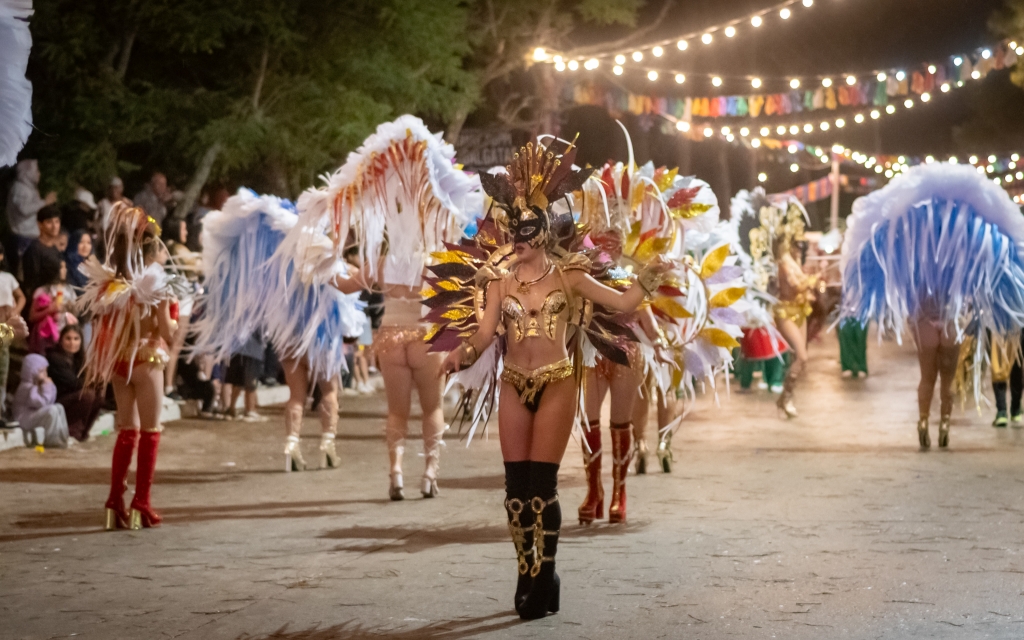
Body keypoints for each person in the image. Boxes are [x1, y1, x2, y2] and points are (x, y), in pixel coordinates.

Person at [435, 139, 671, 620]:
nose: (515, 236)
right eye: (511, 227)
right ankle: (527, 573)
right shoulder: (500, 281)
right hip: (513, 381)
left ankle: (547, 574)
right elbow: (483, 336)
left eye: (524, 229)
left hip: (558, 379)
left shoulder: (570, 277)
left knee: (542, 490)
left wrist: (647, 280)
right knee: (515, 491)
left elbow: (622, 305)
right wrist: (458, 357)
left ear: (542, 232)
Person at [306, 116, 479, 500]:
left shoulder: (380, 262)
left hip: (388, 337)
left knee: (396, 411)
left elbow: (344, 283)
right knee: (431, 409)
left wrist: (320, 259)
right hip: (426, 337)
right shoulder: (437, 260)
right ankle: (430, 473)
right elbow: (458, 298)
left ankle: (396, 472)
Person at [840, 164, 1024, 449]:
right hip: (948, 322)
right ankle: (944, 426)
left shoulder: (918, 265)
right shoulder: (955, 263)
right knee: (946, 380)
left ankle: (924, 421)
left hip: (925, 322)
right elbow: (972, 288)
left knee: (928, 377)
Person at [192, 189, 364, 472]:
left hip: (290, 334)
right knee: (329, 390)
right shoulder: (323, 252)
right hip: (321, 335)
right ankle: (327, 444)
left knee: (295, 395)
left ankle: (292, 444)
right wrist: (367, 275)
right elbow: (344, 286)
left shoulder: (287, 256)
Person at [80, 203, 180, 530]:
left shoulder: (111, 284)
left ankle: (114, 503)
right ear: (152, 251)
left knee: (126, 431)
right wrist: (176, 324)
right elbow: (165, 330)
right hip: (148, 359)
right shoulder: (156, 282)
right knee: (151, 432)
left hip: (119, 363)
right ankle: (141, 503)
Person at [47, 325, 104, 441]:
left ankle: (83, 433)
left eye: (76, 339)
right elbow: (73, 383)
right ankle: (72, 432)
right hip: (56, 402)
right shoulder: (55, 358)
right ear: (61, 340)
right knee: (87, 395)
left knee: (99, 396)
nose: (72, 342)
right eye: (68, 338)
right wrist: (91, 381)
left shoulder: (79, 359)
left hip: (73, 397)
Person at [14, 353, 69, 448]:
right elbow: (41, 403)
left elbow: (51, 400)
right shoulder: (27, 387)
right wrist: (46, 387)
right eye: (42, 371)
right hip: (23, 418)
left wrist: (49, 386)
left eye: (45, 371)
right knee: (51, 410)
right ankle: (53, 441)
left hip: (32, 413)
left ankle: (63, 438)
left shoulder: (36, 385)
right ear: (32, 372)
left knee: (58, 407)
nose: (45, 374)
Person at [5, 159, 56, 258]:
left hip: (29, 235)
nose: (38, 174)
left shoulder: (28, 188)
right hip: (23, 236)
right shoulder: (20, 188)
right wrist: (45, 202)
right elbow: (25, 209)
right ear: (28, 173)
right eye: (36, 171)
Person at [0, 242, 25, 416]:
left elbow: (21, 297)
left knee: (3, 367)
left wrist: (14, 313)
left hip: (4, 326)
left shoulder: (7, 277)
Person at [20, 204, 64, 298]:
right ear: (40, 224)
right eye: (49, 222)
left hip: (56, 297)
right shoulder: (34, 249)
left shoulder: (54, 248)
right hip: (41, 300)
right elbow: (31, 282)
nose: (54, 226)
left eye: (57, 221)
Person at [222, 332, 266, 421]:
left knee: (237, 381)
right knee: (250, 381)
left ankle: (231, 408)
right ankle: (250, 410)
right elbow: (262, 333)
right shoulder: (259, 318)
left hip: (235, 349)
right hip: (252, 350)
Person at [990, 331, 1024, 427]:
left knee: (999, 363)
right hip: (1020, 324)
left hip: (1000, 323)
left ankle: (1002, 412)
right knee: (1016, 364)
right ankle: (1016, 409)